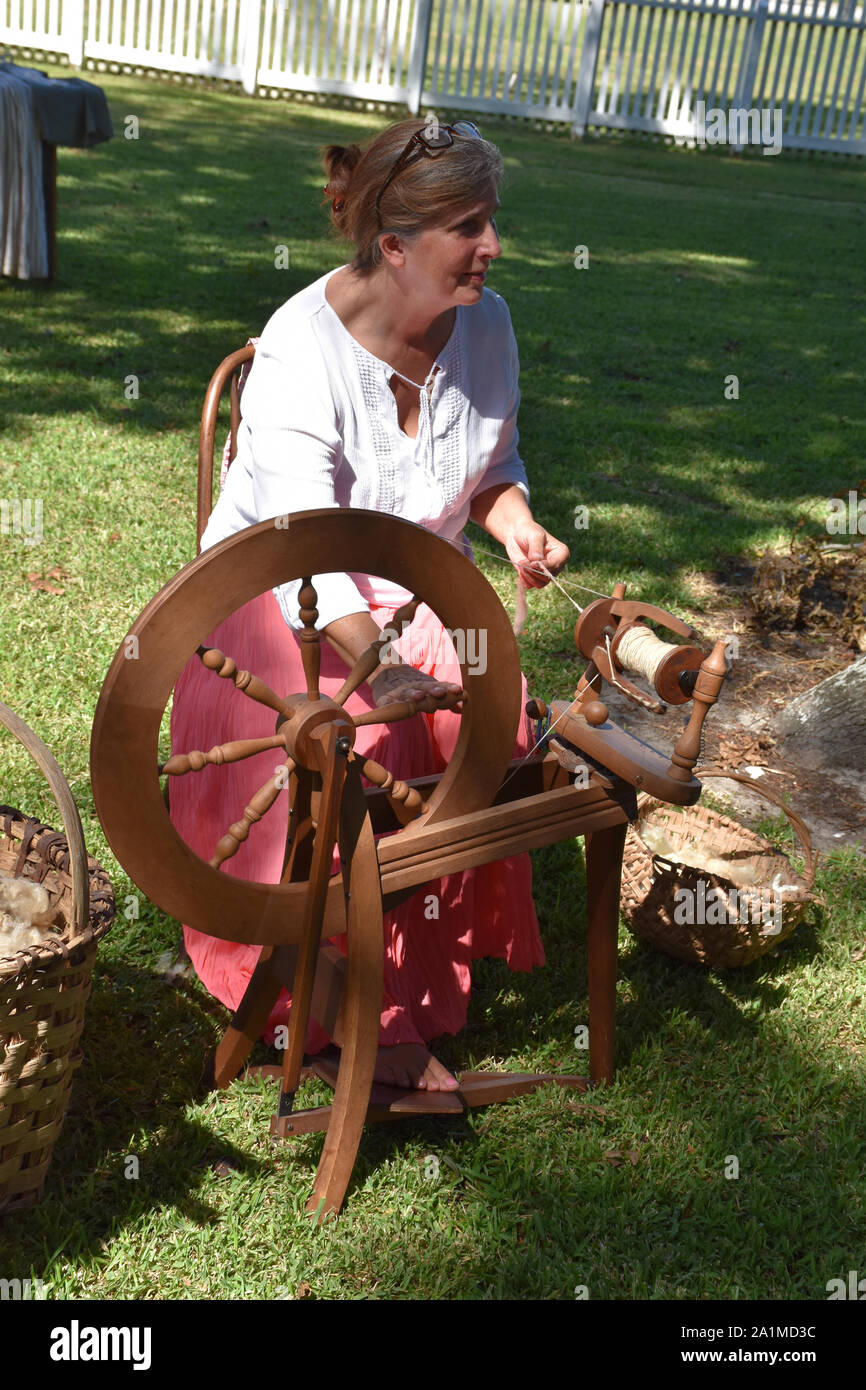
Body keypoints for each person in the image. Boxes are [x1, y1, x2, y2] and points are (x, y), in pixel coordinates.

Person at [169, 117, 570, 1093]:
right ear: (393, 246)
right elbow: (311, 541)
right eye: (467, 227)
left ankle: (410, 971)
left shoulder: (489, 323)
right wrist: (386, 666)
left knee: (487, 712)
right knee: (366, 741)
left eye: (491, 221)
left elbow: (492, 466)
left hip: (420, 588)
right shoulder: (302, 347)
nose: (491, 247)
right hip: (284, 608)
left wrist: (514, 523)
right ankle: (351, 1003)